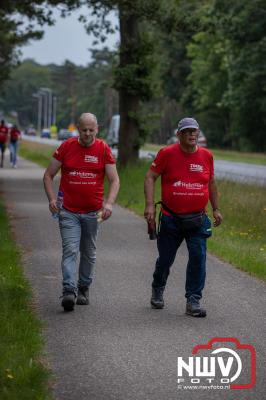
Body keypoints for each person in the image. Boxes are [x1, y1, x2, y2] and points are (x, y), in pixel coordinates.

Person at [144, 117, 222, 317]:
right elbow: (150, 177)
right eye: (187, 131)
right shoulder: (167, 153)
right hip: (171, 218)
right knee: (166, 259)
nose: (191, 134)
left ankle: (193, 300)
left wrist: (216, 208)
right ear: (179, 134)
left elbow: (211, 183)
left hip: (197, 219)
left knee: (198, 257)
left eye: (194, 131)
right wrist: (150, 206)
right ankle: (158, 287)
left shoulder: (207, 156)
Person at [43, 113, 120, 312]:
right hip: (68, 211)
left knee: (89, 252)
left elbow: (114, 180)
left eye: (91, 130)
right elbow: (48, 175)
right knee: (70, 249)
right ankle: (69, 290)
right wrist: (52, 199)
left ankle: (84, 287)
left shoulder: (103, 149)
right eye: (84, 130)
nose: (87, 134)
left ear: (97, 129)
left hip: (94, 213)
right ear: (78, 128)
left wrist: (109, 204)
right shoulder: (66, 147)